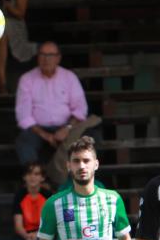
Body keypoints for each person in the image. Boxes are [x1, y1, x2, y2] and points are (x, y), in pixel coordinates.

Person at [15, 41, 102, 183]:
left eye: (50, 55)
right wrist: (47, 136)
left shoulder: (69, 77)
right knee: (24, 142)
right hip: (38, 129)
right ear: (37, 57)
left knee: (92, 137)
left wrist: (67, 129)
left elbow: (80, 109)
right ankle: (38, 183)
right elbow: (24, 116)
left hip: (67, 126)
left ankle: (80, 180)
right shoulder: (27, 79)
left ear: (58, 58)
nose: (46, 59)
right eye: (42, 54)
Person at [12, 161, 50, 240]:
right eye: (29, 174)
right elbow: (18, 226)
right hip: (24, 236)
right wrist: (27, 236)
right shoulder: (19, 196)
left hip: (44, 235)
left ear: (42, 177)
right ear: (24, 177)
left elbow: (50, 224)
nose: (32, 177)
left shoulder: (48, 196)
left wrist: (37, 235)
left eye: (36, 174)